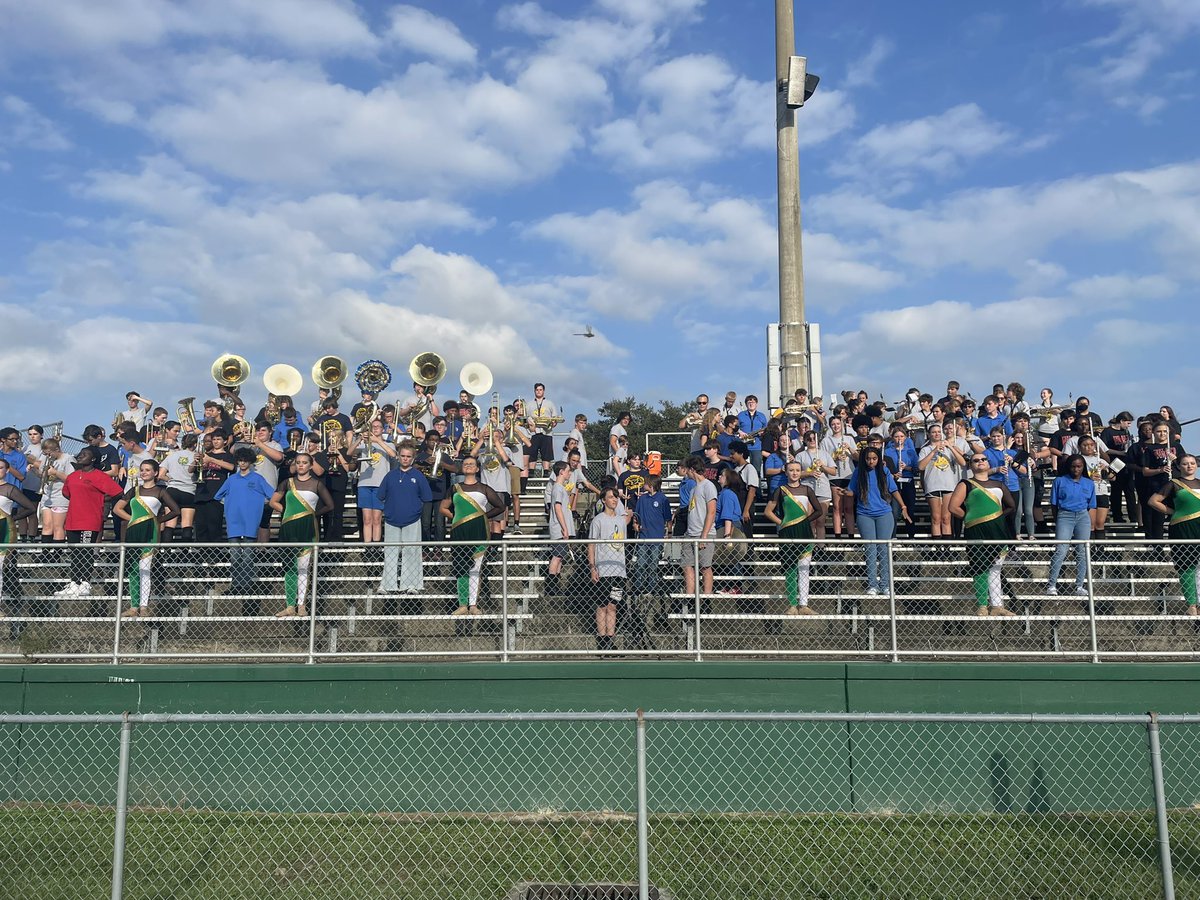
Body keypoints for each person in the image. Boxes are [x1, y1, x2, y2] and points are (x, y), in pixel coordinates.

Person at [948, 453, 1016, 616]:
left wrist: (997, 518)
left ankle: (997, 606)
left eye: (983, 459)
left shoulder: (999, 484)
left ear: (988, 463)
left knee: (995, 568)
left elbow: (1011, 505)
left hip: (998, 530)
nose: (980, 462)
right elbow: (953, 507)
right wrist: (971, 518)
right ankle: (982, 605)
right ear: (970, 465)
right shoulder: (966, 483)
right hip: (976, 529)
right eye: (976, 460)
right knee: (979, 567)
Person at [267, 451, 332, 618]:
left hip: (308, 528)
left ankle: (301, 605)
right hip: (289, 527)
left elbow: (330, 505)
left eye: (304, 462)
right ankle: (290, 606)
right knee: (289, 567)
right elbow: (273, 501)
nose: (301, 465)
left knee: (303, 567)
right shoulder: (286, 483)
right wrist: (287, 511)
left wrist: (311, 514)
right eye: (298, 462)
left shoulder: (317, 484)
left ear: (311, 465)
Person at [112, 460, 180, 618]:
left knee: (145, 569)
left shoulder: (160, 491)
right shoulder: (134, 490)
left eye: (147, 470)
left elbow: (176, 510)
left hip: (151, 532)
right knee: (133, 570)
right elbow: (117, 508)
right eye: (142, 470)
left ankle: (143, 607)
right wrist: (133, 520)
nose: (143, 472)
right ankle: (133, 607)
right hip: (133, 532)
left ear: (155, 473)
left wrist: (157, 521)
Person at [57, 447, 124, 606]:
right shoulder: (72, 476)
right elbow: (67, 493)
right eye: (80, 454)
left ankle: (85, 582)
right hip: (73, 519)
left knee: (86, 552)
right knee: (75, 552)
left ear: (93, 459)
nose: (80, 456)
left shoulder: (99, 476)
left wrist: (99, 497)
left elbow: (118, 493)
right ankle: (74, 583)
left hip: (90, 520)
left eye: (85, 454)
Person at [439, 456, 505, 614]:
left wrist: (483, 517)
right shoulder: (454, 487)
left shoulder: (484, 488)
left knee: (475, 567)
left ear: (477, 469)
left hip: (479, 530)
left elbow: (500, 506)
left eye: (472, 464)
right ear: (462, 468)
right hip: (459, 531)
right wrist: (456, 519)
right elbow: (443, 508)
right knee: (461, 566)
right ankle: (462, 605)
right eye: (465, 464)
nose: (468, 466)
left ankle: (473, 605)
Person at [214, 447, 273, 613]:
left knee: (247, 556)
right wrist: (230, 507)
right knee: (235, 556)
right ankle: (236, 584)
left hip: (250, 522)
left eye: (245, 460)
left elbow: (272, 495)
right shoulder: (231, 479)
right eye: (240, 460)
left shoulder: (258, 478)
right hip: (234, 522)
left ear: (251, 461)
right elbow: (218, 496)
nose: (242, 463)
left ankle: (246, 585)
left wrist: (259, 506)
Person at [763, 460, 824, 615]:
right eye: (791, 470)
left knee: (804, 568)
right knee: (790, 568)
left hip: (804, 533)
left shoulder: (807, 489)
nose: (795, 473)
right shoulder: (780, 490)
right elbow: (768, 511)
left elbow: (818, 510)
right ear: (786, 472)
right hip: (787, 533)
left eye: (797, 470)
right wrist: (783, 523)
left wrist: (804, 522)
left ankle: (804, 605)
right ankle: (792, 604)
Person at [847, 447, 910, 595]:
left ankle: (885, 584)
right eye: (868, 459)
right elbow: (851, 491)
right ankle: (872, 585)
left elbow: (894, 490)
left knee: (884, 549)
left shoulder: (884, 471)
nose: (871, 461)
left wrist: (903, 506)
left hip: (884, 514)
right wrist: (843, 492)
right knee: (870, 549)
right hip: (864, 514)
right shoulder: (858, 472)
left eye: (874, 459)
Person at [377, 441, 431, 603]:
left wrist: (415, 509)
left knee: (412, 552)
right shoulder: (390, 475)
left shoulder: (418, 476)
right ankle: (388, 584)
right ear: (398, 457)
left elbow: (427, 497)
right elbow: (381, 495)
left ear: (413, 459)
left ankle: (412, 584)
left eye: (409, 457)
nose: (405, 459)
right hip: (392, 519)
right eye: (403, 456)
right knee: (390, 553)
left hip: (412, 519)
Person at [1148, 454, 1200, 616]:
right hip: (1182, 528)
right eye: (1185, 464)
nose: (1189, 466)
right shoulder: (1173, 484)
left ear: (1197, 466)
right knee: (1186, 566)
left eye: (1192, 463)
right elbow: (1153, 501)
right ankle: (1191, 604)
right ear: (1179, 466)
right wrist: (1173, 512)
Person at [1046, 455, 1097, 596]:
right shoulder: (1059, 481)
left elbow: (1091, 505)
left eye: (1079, 466)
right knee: (1061, 550)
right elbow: (1054, 504)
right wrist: (1058, 520)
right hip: (1064, 515)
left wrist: (1090, 523)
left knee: (1082, 551)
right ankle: (1051, 585)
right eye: (1073, 466)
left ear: (1083, 467)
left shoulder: (1089, 483)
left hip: (1082, 516)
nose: (1076, 469)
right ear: (1069, 467)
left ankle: (1079, 585)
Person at [588, 487, 628, 652]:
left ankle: (610, 640)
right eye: (611, 497)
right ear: (604, 500)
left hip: (619, 570)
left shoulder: (620, 520)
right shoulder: (598, 520)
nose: (614, 500)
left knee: (613, 605)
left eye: (616, 497)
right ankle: (602, 639)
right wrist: (592, 567)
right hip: (603, 569)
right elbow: (591, 545)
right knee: (602, 605)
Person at [348, 419, 396, 546]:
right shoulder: (363, 444)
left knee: (377, 519)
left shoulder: (388, 444)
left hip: (380, 484)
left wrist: (378, 441)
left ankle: (376, 546)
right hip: (364, 483)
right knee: (366, 519)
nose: (375, 429)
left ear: (382, 429)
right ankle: (368, 547)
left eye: (378, 427)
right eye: (373, 427)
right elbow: (349, 452)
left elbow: (393, 454)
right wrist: (359, 439)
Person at [0, 459, 38, 618]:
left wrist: (12, 519)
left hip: (3, 531)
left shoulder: (10, 489)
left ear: (7, 471)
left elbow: (30, 507)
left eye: (1, 467)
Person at [919, 423, 965, 550]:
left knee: (946, 518)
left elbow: (963, 463)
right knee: (936, 517)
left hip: (949, 485)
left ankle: (947, 548)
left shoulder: (949, 448)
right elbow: (921, 467)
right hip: (933, 485)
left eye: (939, 432)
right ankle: (938, 549)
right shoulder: (925, 449)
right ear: (929, 434)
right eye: (933, 432)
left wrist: (950, 447)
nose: (937, 434)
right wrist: (934, 450)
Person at [682, 454, 718, 601]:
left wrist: (704, 535)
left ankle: (707, 597)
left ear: (692, 469)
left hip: (704, 534)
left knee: (705, 566)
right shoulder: (693, 489)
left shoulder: (708, 486)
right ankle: (690, 598)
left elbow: (712, 511)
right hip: (690, 533)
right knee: (687, 565)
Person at [631, 475, 670, 603]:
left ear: (651, 485)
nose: (643, 485)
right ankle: (639, 587)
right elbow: (636, 515)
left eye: (646, 483)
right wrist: (635, 524)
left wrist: (668, 532)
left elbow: (668, 518)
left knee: (653, 564)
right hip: (643, 536)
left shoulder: (663, 499)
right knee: (641, 563)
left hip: (656, 537)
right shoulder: (642, 499)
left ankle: (652, 587)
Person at [544, 460, 575, 598]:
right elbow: (557, 507)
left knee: (560, 557)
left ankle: (555, 585)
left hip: (562, 527)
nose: (569, 473)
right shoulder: (557, 487)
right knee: (557, 556)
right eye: (568, 471)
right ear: (561, 471)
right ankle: (550, 586)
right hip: (558, 528)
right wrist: (564, 528)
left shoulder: (561, 488)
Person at [37, 438, 72, 550]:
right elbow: (41, 474)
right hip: (47, 495)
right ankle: (45, 554)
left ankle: (56, 555)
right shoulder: (45, 458)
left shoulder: (68, 458)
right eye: (45, 454)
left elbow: (71, 479)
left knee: (58, 527)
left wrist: (56, 473)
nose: (48, 456)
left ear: (56, 449)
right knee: (47, 526)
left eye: (49, 453)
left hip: (61, 496)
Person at [526, 383, 560, 474]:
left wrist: (553, 423)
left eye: (540, 390)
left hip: (546, 432)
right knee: (532, 452)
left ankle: (546, 471)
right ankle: (531, 471)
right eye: (537, 390)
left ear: (543, 391)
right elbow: (526, 418)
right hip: (533, 432)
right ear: (534, 391)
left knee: (546, 453)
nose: (539, 391)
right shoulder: (529, 404)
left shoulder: (550, 403)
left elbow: (555, 417)